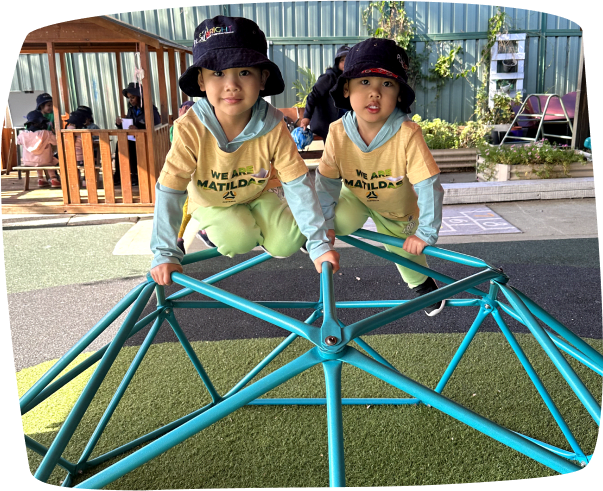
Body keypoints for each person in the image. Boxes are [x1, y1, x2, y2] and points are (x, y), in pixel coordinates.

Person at [149, 15, 339, 286]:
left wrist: (318, 243)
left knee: (287, 242)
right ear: (200, 81)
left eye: (245, 72)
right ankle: (212, 228)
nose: (232, 85)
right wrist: (164, 251)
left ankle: (263, 227)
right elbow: (171, 189)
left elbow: (297, 183)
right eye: (217, 73)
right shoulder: (190, 128)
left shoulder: (273, 125)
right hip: (213, 201)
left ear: (263, 78)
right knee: (238, 237)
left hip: (258, 192)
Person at [315, 38, 446, 316]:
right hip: (356, 196)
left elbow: (428, 183)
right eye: (364, 82)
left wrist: (426, 232)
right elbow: (326, 182)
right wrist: (323, 223)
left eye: (386, 84)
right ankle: (312, 232)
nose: (375, 93)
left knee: (405, 252)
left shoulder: (407, 133)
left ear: (399, 94)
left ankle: (422, 283)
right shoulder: (338, 131)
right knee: (332, 222)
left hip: (397, 209)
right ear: (346, 88)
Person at [299, 45, 350, 143]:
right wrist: (306, 117)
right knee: (333, 152)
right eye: (342, 60)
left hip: (346, 123)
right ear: (337, 63)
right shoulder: (329, 77)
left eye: (348, 59)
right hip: (328, 123)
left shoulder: (353, 80)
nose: (345, 63)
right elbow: (313, 96)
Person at [114, 82, 161, 187]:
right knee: (120, 144)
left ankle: (135, 174)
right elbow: (128, 126)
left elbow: (157, 126)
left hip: (146, 139)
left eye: (133, 97)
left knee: (132, 146)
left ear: (140, 97)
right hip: (133, 138)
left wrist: (139, 129)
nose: (130, 100)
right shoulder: (131, 110)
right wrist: (119, 125)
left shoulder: (151, 110)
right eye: (129, 97)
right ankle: (119, 174)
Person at [17, 110, 61, 188]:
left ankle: (40, 179)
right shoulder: (46, 133)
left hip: (28, 162)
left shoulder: (22, 134)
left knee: (37, 158)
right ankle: (53, 179)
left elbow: (18, 142)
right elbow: (55, 142)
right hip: (45, 161)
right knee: (50, 160)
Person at [65, 110, 89, 188]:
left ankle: (75, 180)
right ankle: (85, 180)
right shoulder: (83, 133)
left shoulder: (65, 132)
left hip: (69, 158)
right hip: (82, 159)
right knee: (89, 160)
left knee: (75, 164)